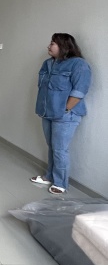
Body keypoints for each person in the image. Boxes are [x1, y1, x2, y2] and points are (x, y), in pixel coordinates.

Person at [30, 33, 91, 195]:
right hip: (47, 112)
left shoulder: (78, 64)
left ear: (64, 46)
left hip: (66, 115)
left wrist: (65, 109)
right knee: (52, 146)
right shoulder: (48, 63)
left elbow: (80, 90)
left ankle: (60, 183)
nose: (49, 46)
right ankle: (49, 176)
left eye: (52, 43)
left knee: (60, 149)